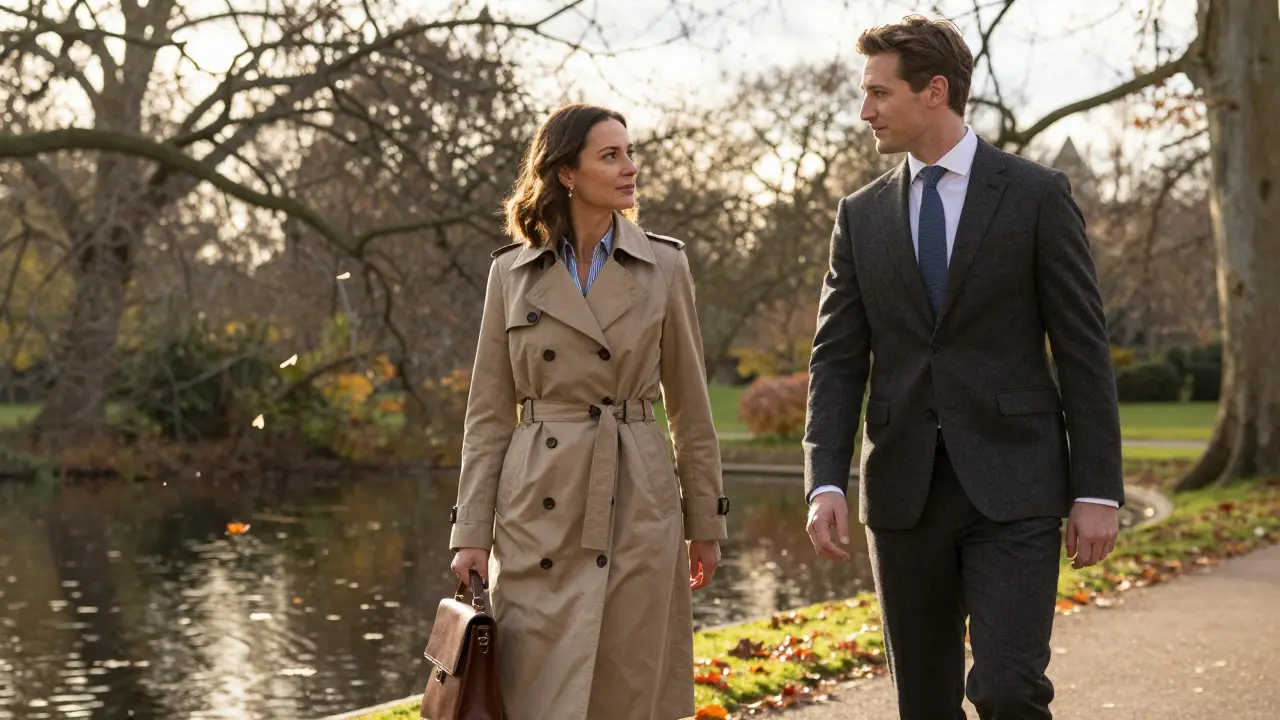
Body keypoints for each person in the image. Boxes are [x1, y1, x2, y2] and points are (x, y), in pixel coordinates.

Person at [802, 15, 1124, 720]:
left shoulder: (1036, 195)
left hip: (1017, 485)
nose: (865, 110)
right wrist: (824, 478)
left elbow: (1082, 349)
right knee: (924, 702)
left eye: (879, 92)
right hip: (903, 493)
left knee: (1009, 689)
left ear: (935, 91)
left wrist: (1098, 488)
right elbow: (837, 359)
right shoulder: (860, 215)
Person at [447, 103, 730, 720]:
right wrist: (470, 533)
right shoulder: (510, 274)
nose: (630, 168)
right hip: (537, 504)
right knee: (533, 683)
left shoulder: (664, 265)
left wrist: (704, 520)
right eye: (611, 156)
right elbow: (488, 414)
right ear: (567, 173)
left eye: (630, 153)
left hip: (637, 495)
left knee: (625, 681)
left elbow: (690, 405)